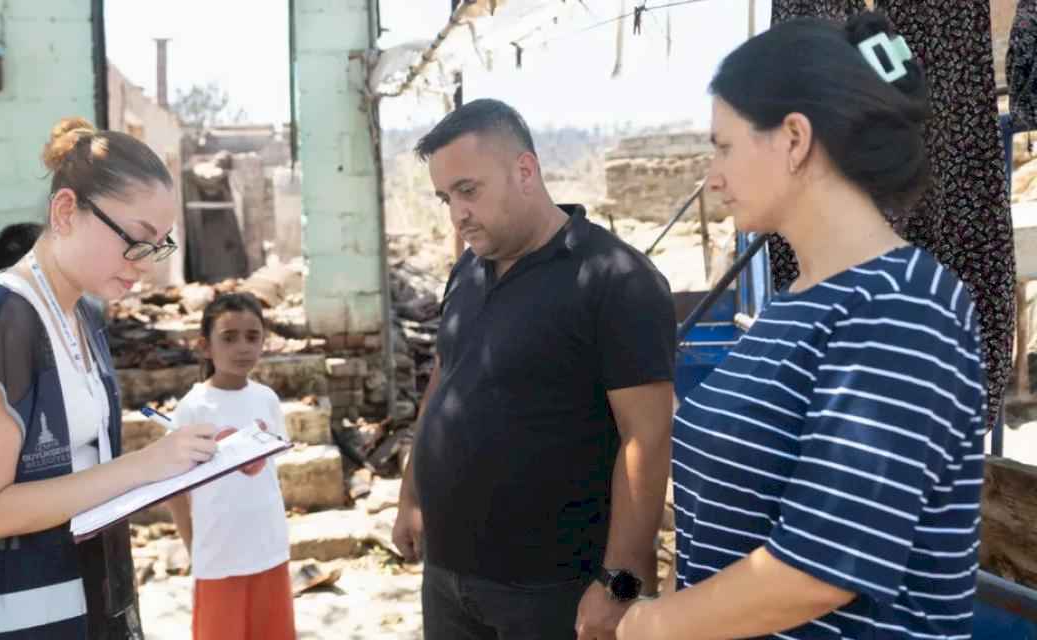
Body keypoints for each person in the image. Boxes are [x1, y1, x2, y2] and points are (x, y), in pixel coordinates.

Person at [616, 13, 986, 640]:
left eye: (724, 146)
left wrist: (648, 625)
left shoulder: (901, 307)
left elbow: (819, 567)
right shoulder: (798, 300)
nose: (713, 175)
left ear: (793, 138)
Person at [0, 116, 216, 639]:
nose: (145, 264)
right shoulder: (5, 318)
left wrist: (183, 464)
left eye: (159, 246)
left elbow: (85, 471)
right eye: (136, 239)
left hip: (77, 595)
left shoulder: (80, 313)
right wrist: (145, 465)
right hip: (10, 616)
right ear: (65, 211)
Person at [392, 98, 677, 640]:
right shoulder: (468, 270)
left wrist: (619, 582)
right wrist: (412, 496)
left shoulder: (615, 279)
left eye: (468, 190)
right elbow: (444, 382)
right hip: (448, 576)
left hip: (551, 591)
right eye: (446, 198)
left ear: (525, 171)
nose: (457, 214)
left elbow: (647, 437)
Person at [165, 292, 295, 640]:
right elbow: (174, 488)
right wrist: (193, 544)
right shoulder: (193, 408)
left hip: (269, 547)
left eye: (253, 337)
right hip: (218, 552)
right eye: (229, 337)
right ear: (205, 346)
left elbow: (269, 475)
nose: (242, 348)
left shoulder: (266, 399)